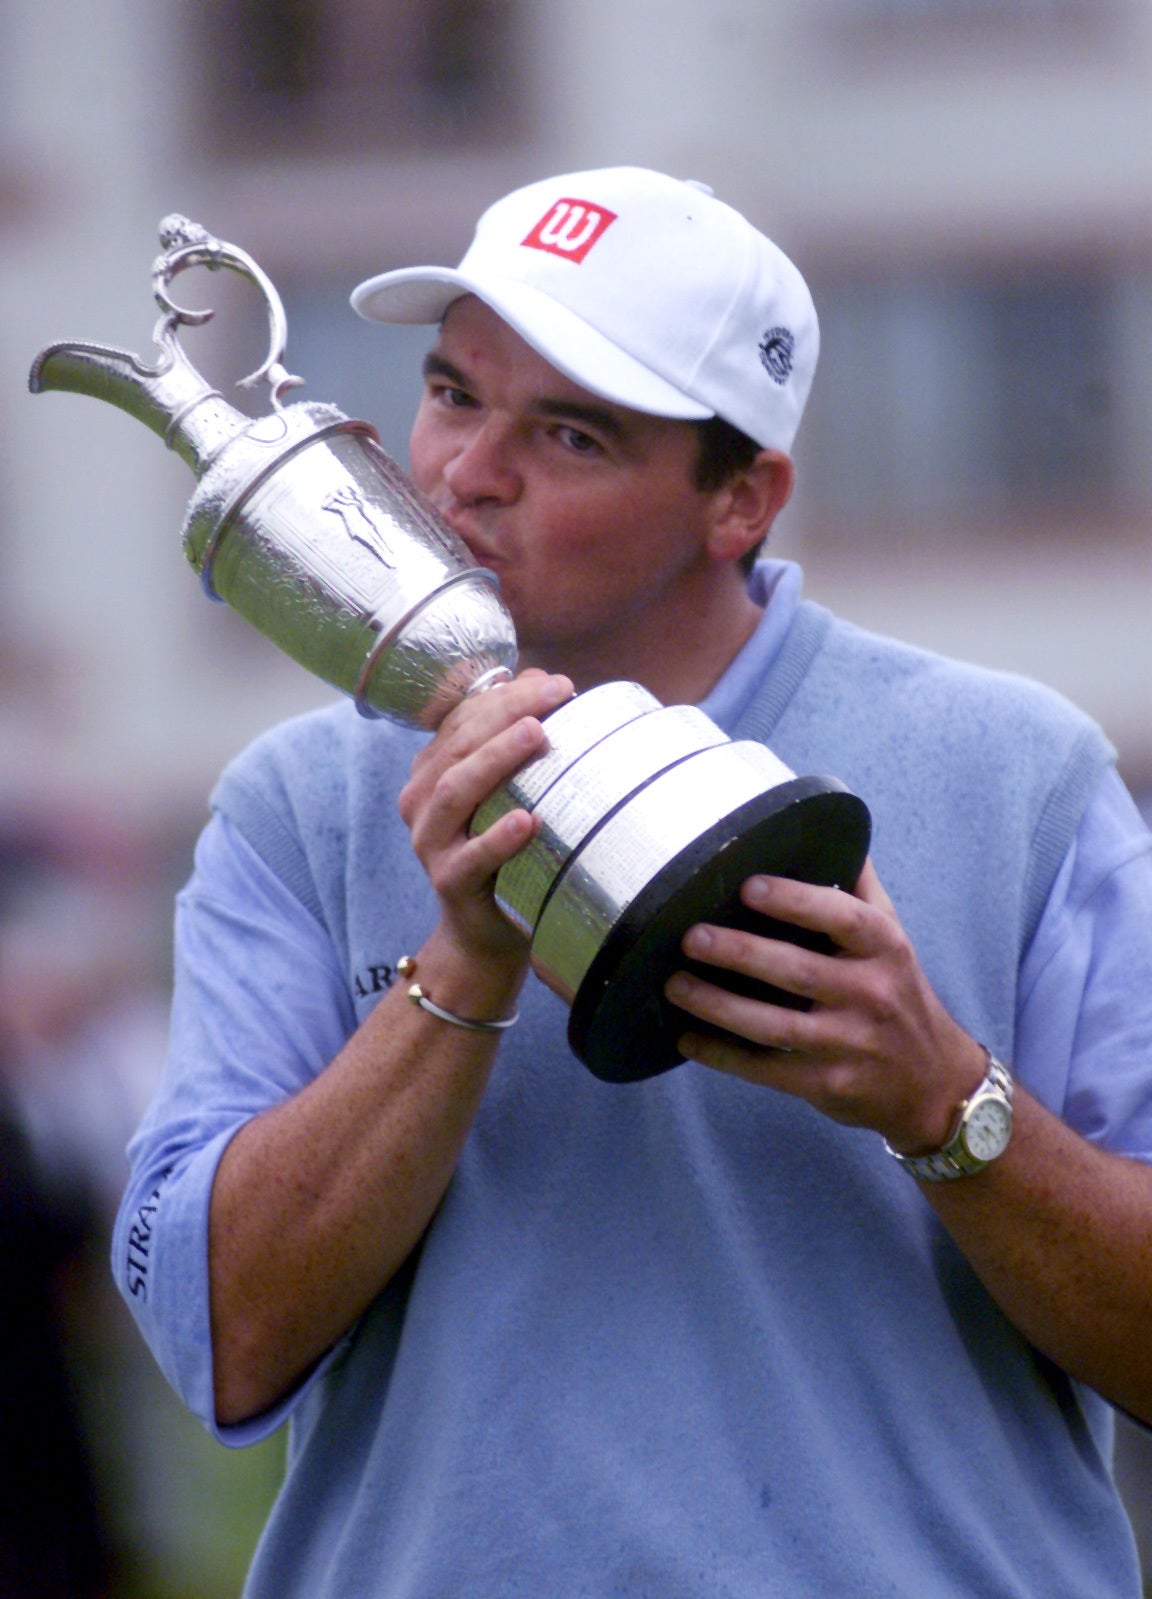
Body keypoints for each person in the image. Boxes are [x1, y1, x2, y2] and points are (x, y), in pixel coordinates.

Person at [113, 167, 1152, 1596]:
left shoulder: (1014, 772)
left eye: (572, 433)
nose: (468, 470)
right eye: (455, 392)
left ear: (742, 501)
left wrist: (942, 1100)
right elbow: (214, 1340)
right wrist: (462, 967)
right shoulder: (298, 805)